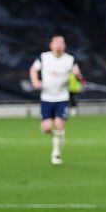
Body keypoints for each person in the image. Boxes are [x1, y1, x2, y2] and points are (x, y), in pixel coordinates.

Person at [29, 34, 83, 165]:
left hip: (62, 98)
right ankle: (58, 136)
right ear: (51, 45)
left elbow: (79, 77)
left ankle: (56, 153)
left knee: (59, 125)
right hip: (46, 97)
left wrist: (77, 76)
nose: (59, 45)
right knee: (47, 128)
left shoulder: (70, 59)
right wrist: (35, 81)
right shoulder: (44, 57)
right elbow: (33, 69)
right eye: (56, 43)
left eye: (61, 43)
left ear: (64, 45)